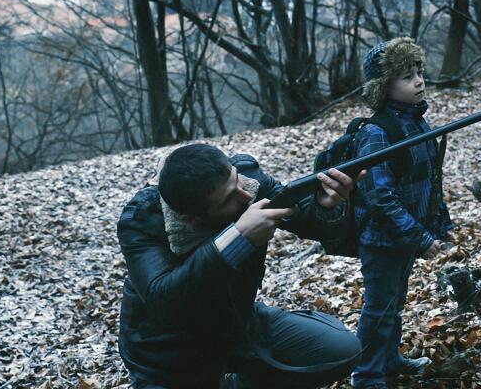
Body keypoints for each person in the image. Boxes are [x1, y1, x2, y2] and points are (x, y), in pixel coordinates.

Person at [116, 143, 363, 388]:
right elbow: (165, 300)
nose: (245, 196)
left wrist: (325, 204)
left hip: (235, 321)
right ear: (190, 219)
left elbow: (308, 221)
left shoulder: (247, 180)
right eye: (229, 199)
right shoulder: (141, 218)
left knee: (342, 349)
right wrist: (237, 238)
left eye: (237, 180)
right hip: (164, 350)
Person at [351, 37, 454, 388]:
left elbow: (430, 180)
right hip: (381, 241)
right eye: (407, 76)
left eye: (419, 72)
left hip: (406, 237)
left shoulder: (417, 123)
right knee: (378, 309)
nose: (419, 81)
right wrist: (421, 239)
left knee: (394, 304)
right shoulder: (378, 133)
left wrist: (441, 224)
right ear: (384, 87)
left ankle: (390, 360)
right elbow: (381, 199)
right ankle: (366, 376)